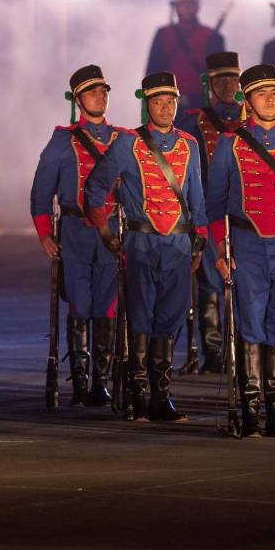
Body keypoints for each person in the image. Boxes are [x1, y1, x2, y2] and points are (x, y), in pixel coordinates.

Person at [84, 72, 207, 423]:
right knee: (140, 316)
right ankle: (138, 395)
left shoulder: (189, 145)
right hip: (140, 243)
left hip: (179, 246)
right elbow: (95, 187)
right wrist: (107, 234)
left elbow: (197, 198)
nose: (166, 108)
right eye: (158, 102)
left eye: (170, 101)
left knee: (169, 319)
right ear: (146, 105)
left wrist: (198, 242)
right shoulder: (127, 144)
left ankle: (161, 397)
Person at [206, 64, 275, 437]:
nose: (271, 100)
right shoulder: (230, 143)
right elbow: (215, 203)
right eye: (262, 94)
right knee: (251, 327)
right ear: (247, 101)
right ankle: (251, 410)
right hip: (247, 246)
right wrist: (220, 252)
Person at [30, 65, 120, 406]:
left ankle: (101, 381)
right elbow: (41, 194)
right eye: (93, 91)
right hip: (75, 232)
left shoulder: (122, 138)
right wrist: (44, 235)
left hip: (110, 234)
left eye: (104, 91)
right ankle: (80, 381)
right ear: (78, 99)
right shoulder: (61, 140)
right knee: (80, 306)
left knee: (107, 309)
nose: (100, 95)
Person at [176, 51, 243, 374]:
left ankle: (244, 347)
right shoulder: (192, 121)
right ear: (210, 83)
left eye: (233, 78)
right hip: (207, 213)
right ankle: (213, 351)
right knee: (211, 285)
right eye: (221, 79)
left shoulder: (254, 117)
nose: (229, 85)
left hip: (247, 215)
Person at [145, 0, 226, 112]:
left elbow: (221, 81)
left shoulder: (213, 37)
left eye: (191, 4)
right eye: (182, 4)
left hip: (202, 108)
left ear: (197, 7)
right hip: (167, 107)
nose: (186, 8)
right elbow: (152, 73)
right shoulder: (163, 34)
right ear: (176, 7)